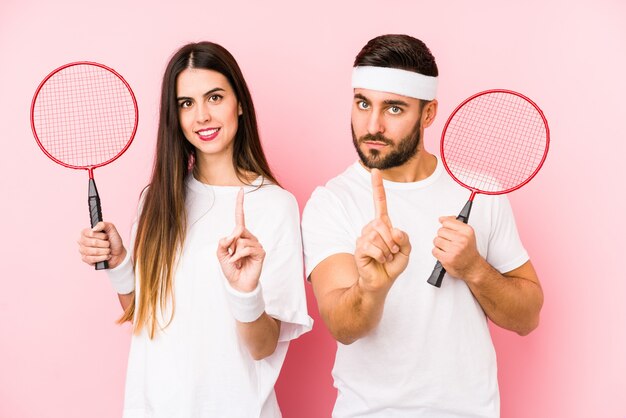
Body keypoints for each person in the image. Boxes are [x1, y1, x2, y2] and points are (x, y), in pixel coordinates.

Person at [301, 34, 543, 417]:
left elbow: (528, 317)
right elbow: (343, 327)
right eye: (363, 103)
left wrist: (474, 269)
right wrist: (371, 286)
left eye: (394, 109)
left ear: (428, 113)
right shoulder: (331, 201)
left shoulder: (482, 192)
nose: (373, 125)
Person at [78, 41, 312, 418]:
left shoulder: (274, 205)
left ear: (240, 103)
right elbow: (144, 317)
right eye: (186, 103)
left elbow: (264, 346)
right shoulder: (156, 200)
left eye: (215, 97)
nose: (201, 115)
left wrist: (245, 290)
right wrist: (121, 263)